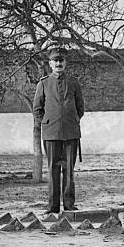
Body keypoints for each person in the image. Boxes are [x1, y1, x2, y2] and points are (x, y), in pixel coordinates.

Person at [33, 47, 85, 213]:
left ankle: (69, 205)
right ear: (50, 63)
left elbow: (80, 107)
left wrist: (73, 120)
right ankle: (53, 206)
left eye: (61, 60)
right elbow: (37, 109)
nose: (58, 63)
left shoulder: (74, 82)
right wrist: (47, 123)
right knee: (53, 169)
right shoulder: (43, 83)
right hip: (51, 133)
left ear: (65, 63)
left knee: (68, 169)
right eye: (55, 60)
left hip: (71, 132)